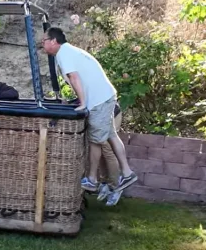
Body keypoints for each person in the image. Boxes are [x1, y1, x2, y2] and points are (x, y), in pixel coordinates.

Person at [42, 26, 137, 194]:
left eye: (44, 40)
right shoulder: (68, 52)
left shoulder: (64, 54)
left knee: (95, 141)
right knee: (110, 136)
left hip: (98, 100)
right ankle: (127, 173)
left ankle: (92, 180)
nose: (42, 44)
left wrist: (83, 103)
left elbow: (74, 77)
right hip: (105, 96)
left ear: (54, 41)